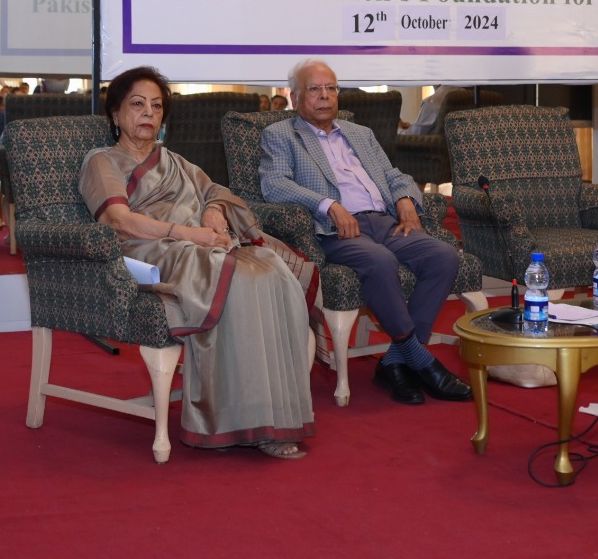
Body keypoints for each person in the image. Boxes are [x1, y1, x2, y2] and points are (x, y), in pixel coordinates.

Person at [81, 66, 315, 458]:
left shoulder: (174, 160)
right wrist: (190, 234)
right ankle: (236, 420)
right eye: (137, 104)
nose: (148, 113)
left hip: (198, 244)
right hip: (148, 250)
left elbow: (216, 191)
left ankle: (271, 414)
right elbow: (119, 221)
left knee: (271, 270)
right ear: (115, 114)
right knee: (238, 277)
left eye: (156, 106)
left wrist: (213, 210)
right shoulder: (103, 161)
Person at [259, 59, 469, 405]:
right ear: (295, 98)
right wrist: (329, 205)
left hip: (384, 220)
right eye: (315, 89)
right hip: (335, 230)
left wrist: (404, 197)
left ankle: (395, 363)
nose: (325, 96)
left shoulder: (360, 133)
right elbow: (274, 185)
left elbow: (393, 174)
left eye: (331, 88)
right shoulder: (281, 135)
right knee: (380, 261)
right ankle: (422, 361)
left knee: (443, 256)